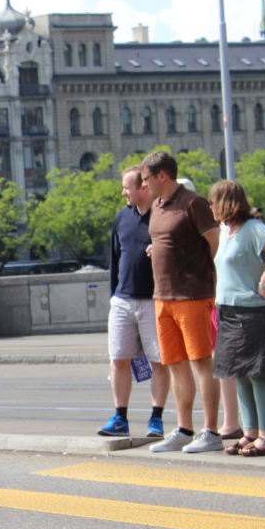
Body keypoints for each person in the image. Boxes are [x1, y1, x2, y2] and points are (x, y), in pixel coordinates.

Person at [140, 152, 223, 454]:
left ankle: (211, 431)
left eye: (146, 179)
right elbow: (167, 240)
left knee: (202, 362)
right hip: (162, 297)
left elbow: (215, 239)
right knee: (175, 365)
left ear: (162, 175)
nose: (143, 185)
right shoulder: (158, 205)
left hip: (192, 295)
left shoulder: (193, 202)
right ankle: (184, 429)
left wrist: (202, 268)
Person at [207, 180, 265, 457]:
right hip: (229, 311)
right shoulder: (226, 231)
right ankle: (250, 432)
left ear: (227, 203)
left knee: (258, 373)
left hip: (252, 311)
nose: (211, 207)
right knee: (238, 374)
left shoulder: (253, 228)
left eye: (213, 202)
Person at [98, 166, 171, 438]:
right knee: (118, 359)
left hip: (155, 301)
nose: (123, 192)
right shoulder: (121, 217)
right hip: (123, 300)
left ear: (143, 187)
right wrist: (114, 295)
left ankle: (156, 419)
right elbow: (115, 260)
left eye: (127, 187)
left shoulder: (163, 216)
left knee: (159, 362)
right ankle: (120, 418)